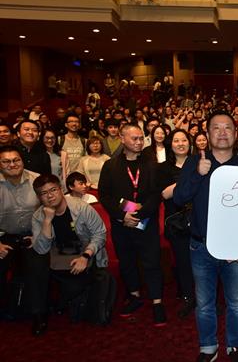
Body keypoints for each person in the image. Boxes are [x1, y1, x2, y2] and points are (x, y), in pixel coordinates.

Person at [174, 112, 238, 362]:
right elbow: (179, 197)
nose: (222, 132)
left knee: (237, 303)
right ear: (207, 135)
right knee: (204, 304)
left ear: (236, 132)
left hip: (235, 250)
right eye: (216, 128)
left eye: (227, 128)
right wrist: (197, 174)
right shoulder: (195, 162)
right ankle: (208, 348)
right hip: (200, 247)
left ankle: (235, 346)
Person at [98, 124, 165, 326]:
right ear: (122, 139)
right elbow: (105, 195)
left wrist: (140, 213)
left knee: (152, 262)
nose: (138, 142)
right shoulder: (110, 166)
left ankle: (157, 301)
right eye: (134, 138)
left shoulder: (152, 164)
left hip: (146, 221)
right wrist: (122, 215)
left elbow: (156, 194)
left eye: (141, 138)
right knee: (127, 261)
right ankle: (134, 295)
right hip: (121, 224)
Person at [29, 174, 107, 332]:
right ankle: (39, 314)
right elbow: (41, 249)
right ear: (38, 197)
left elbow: (100, 234)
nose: (50, 196)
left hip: (84, 252)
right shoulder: (38, 216)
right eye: (44, 193)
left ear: (61, 189)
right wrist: (47, 221)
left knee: (76, 285)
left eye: (53, 190)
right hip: (58, 256)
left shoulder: (81, 208)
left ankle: (63, 299)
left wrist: (85, 256)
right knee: (35, 263)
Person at [0, 146, 42, 333]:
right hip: (4, 237)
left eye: (16, 160)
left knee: (37, 269)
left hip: (33, 235)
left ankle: (38, 314)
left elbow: (52, 208)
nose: (12, 164)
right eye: (6, 161)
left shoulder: (37, 180)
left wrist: (40, 235)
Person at [159, 129, 195, 319]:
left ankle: (204, 298)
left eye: (184, 140)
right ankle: (188, 298)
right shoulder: (163, 168)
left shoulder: (199, 162)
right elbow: (165, 194)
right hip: (176, 222)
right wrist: (190, 178)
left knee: (201, 262)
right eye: (176, 140)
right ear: (170, 144)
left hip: (198, 220)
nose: (180, 143)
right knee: (183, 262)